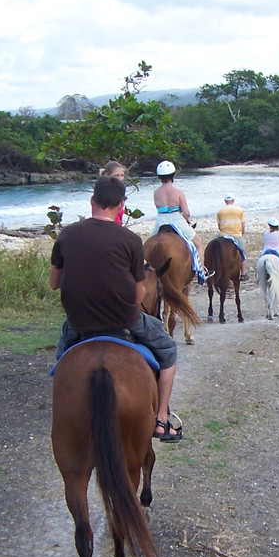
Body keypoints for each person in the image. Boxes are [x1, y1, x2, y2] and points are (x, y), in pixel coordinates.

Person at [51, 176, 183, 442]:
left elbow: (54, 283)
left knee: (61, 363)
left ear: (92, 201)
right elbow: (137, 295)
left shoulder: (66, 235)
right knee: (168, 350)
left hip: (78, 322)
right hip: (124, 319)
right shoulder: (131, 240)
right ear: (121, 205)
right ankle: (161, 419)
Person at [152, 160, 206, 281]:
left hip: (161, 220)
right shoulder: (178, 192)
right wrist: (186, 220)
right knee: (198, 243)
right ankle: (201, 271)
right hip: (176, 219)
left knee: (147, 245)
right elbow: (186, 212)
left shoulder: (156, 193)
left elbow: (158, 209)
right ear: (173, 175)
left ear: (159, 177)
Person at [217, 193, 248, 277]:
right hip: (236, 235)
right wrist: (241, 234)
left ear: (225, 201)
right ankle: (243, 273)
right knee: (244, 253)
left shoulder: (220, 211)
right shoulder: (240, 210)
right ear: (233, 200)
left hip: (223, 235)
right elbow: (243, 225)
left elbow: (219, 227)